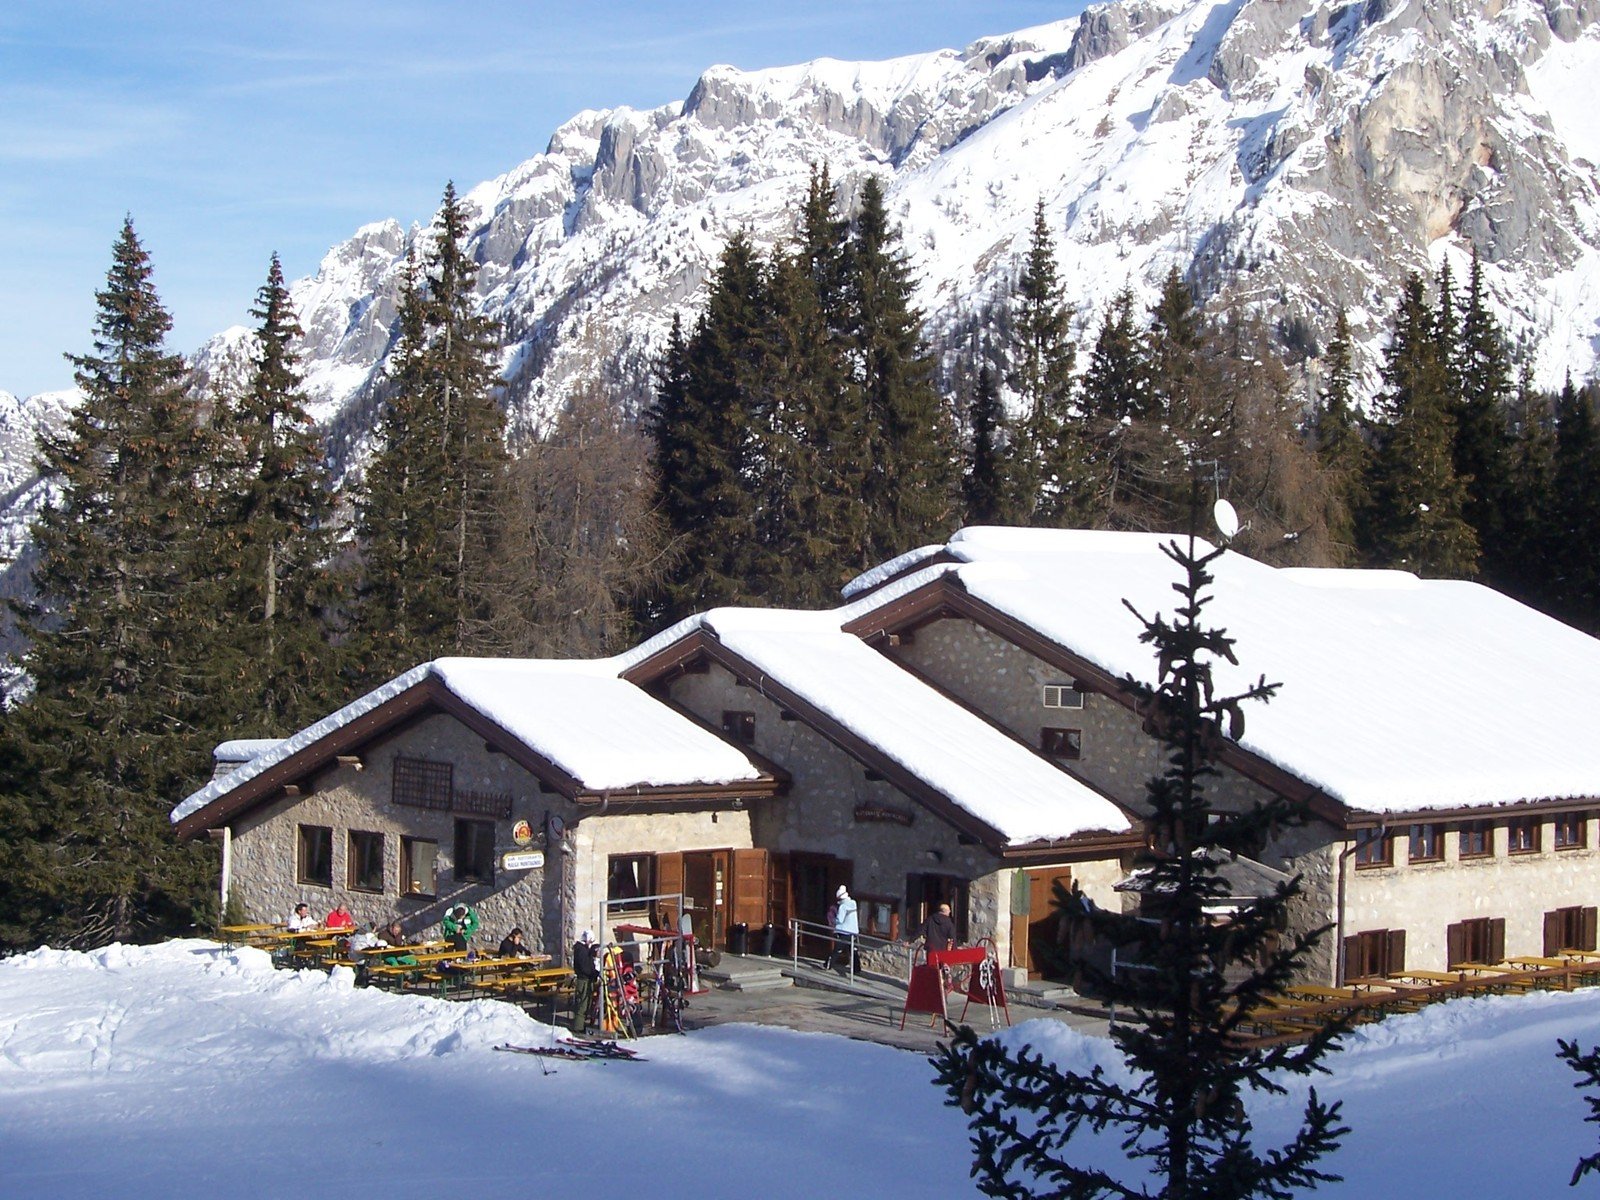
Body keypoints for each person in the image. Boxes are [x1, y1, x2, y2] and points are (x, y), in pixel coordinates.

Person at [572, 929, 600, 1035]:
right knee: (582, 1004)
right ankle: (578, 1027)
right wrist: (594, 973)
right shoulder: (581, 951)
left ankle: (581, 1024)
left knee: (586, 1003)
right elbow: (585, 967)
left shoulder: (583, 950)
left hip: (587, 979)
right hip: (583, 980)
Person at [829, 885, 858, 971]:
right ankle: (857, 968)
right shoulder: (853, 903)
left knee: (837, 950)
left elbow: (839, 920)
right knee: (853, 951)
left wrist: (832, 919)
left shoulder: (842, 907)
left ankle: (828, 965)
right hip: (854, 931)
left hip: (844, 932)